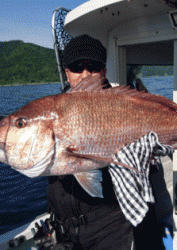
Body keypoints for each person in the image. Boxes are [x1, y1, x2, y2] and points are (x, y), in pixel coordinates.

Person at [46, 34, 170, 250]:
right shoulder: (51, 111)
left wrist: (151, 147)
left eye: (92, 67)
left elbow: (161, 144)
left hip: (112, 226)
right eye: (77, 67)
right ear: (67, 74)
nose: (85, 74)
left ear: (103, 70)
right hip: (65, 231)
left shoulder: (124, 103)